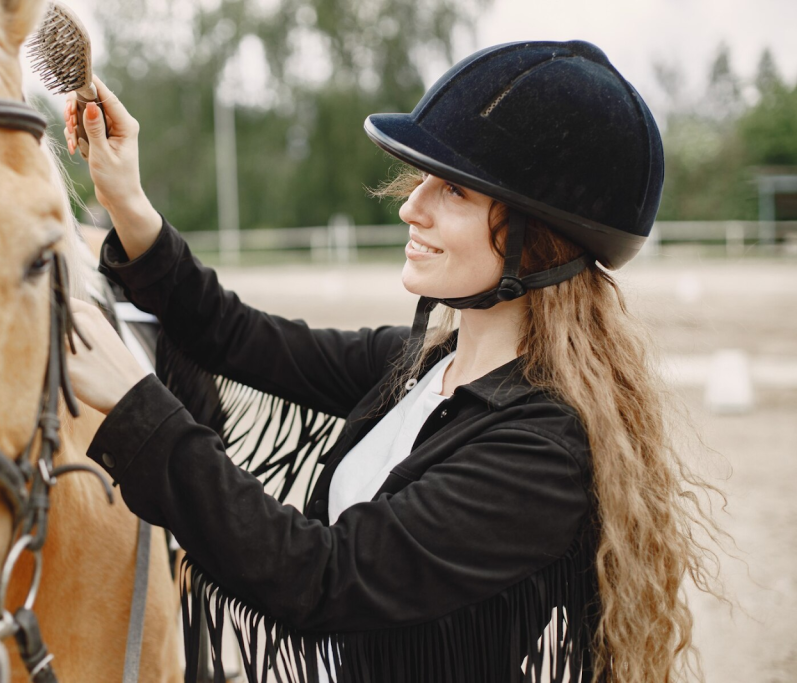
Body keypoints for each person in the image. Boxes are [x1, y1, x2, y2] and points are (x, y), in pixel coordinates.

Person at [63, 40, 724, 683]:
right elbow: (234, 335)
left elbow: (321, 578)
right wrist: (127, 201)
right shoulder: (420, 366)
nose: (411, 206)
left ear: (538, 240)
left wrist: (135, 405)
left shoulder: (542, 454)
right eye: (424, 180)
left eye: (454, 191)